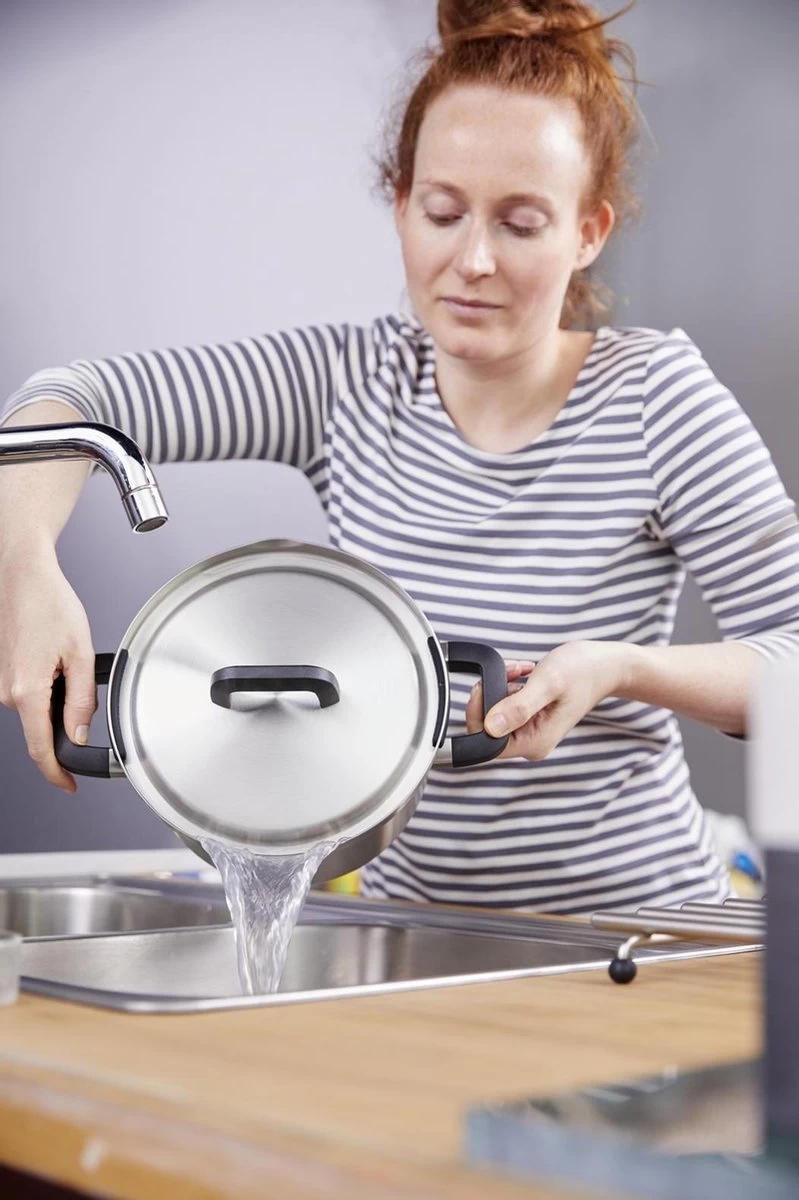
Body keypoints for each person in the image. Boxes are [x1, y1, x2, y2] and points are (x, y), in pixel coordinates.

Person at [2, 0, 798, 914]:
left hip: (641, 937)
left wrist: (623, 668)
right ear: (401, 205)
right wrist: (24, 567)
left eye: (521, 223)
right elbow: (66, 404)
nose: (473, 260)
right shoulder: (347, 383)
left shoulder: (655, 400)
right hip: (413, 932)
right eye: (443, 211)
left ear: (588, 232)